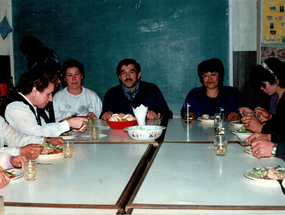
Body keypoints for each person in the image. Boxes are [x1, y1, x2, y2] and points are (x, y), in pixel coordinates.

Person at [3, 66, 87, 139]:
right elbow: (36, 134)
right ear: (35, 91)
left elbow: (45, 128)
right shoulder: (16, 107)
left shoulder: (34, 106)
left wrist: (69, 127)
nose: (50, 99)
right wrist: (68, 124)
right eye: (48, 94)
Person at [100, 59, 173, 120]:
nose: (127, 76)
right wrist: (105, 115)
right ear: (119, 77)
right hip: (120, 134)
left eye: (131, 72)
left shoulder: (152, 89)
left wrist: (158, 115)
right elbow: (104, 115)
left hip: (146, 133)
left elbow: (168, 113)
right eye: (123, 73)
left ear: (138, 75)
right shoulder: (111, 94)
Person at [181, 58, 249, 121]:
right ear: (201, 78)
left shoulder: (233, 93)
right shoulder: (194, 94)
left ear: (220, 77)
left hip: (226, 132)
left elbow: (247, 111)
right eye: (205, 75)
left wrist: (238, 115)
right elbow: (184, 112)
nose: (209, 78)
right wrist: (191, 115)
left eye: (213, 74)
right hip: (199, 132)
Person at [240, 57, 285, 135]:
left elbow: (282, 134)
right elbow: (281, 122)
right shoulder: (276, 98)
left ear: (275, 81)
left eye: (263, 85)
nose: (261, 88)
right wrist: (270, 117)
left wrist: (261, 128)